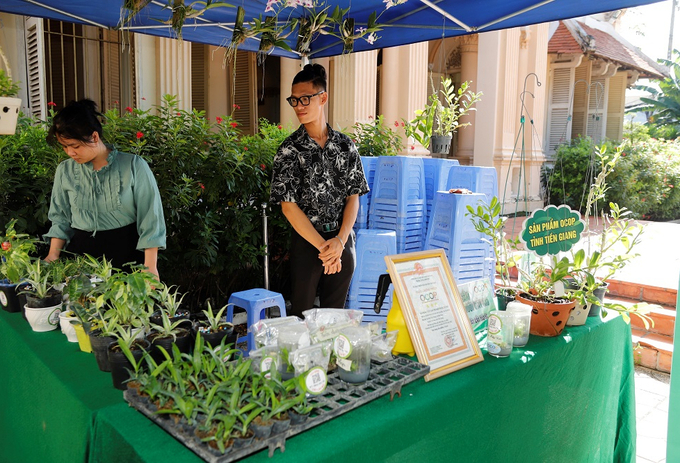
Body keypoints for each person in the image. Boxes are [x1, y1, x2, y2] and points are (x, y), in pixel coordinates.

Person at [270, 64, 369, 317]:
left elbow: (353, 198)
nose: (299, 106)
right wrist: (325, 249)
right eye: (294, 100)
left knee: (334, 317)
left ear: (322, 97)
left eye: (305, 98)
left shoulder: (346, 146)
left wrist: (339, 242)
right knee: (303, 318)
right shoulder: (289, 150)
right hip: (307, 244)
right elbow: (288, 207)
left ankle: (333, 359)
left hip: (342, 241)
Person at [43, 99, 166, 278]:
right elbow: (61, 217)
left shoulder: (133, 166)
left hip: (127, 259)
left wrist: (150, 267)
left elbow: (150, 219)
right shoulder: (65, 170)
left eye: (75, 146)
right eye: (65, 147)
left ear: (94, 137)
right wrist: (53, 255)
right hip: (81, 263)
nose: (70, 153)